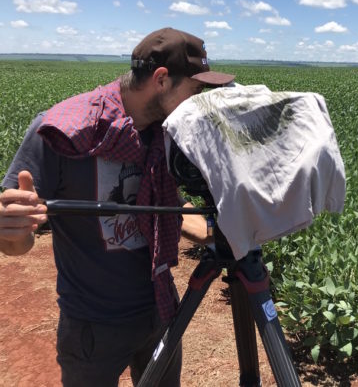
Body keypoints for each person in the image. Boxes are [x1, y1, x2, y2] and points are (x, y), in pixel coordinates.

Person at [0, 27, 235, 386]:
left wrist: (226, 234)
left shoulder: (164, 132)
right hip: (93, 327)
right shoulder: (62, 130)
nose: (199, 100)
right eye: (196, 89)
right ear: (161, 80)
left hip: (160, 310)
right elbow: (16, 238)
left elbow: (168, 204)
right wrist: (11, 231)